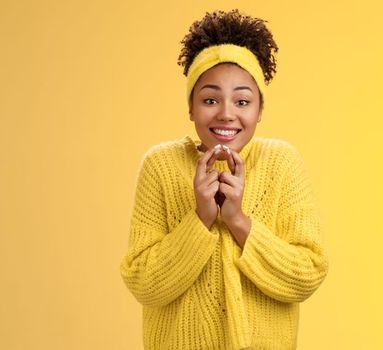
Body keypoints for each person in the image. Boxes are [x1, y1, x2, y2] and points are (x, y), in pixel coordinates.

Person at [119, 9, 328, 349]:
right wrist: (200, 218)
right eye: (210, 99)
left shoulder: (281, 162)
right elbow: (144, 284)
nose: (226, 113)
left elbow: (307, 274)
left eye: (242, 100)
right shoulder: (160, 165)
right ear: (190, 107)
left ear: (260, 109)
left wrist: (237, 220)